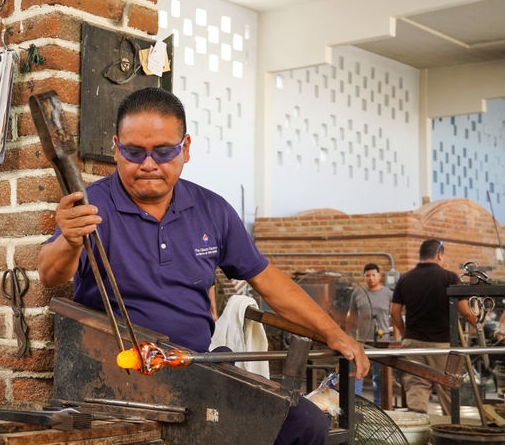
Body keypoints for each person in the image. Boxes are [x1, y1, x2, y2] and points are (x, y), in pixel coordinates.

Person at [37, 87, 369, 444]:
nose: (148, 164)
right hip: (118, 375)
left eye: (163, 151)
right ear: (116, 147)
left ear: (186, 148)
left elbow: (267, 279)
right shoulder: (93, 205)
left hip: (197, 370)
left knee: (304, 423)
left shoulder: (212, 209)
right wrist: (69, 241)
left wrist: (332, 332)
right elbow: (50, 273)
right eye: (134, 152)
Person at [390, 239, 476, 413]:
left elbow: (394, 312)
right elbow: (466, 312)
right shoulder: (449, 277)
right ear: (439, 255)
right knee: (448, 392)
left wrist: (407, 334)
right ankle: (451, 434)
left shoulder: (405, 278)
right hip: (444, 346)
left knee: (416, 391)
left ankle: (419, 436)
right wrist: (482, 325)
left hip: (413, 346)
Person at [347, 263, 397, 404]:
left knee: (379, 375)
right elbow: (351, 316)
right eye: (367, 275)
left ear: (379, 276)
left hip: (383, 340)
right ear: (364, 277)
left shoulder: (388, 293)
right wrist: (348, 335)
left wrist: (397, 340)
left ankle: (379, 404)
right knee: (357, 373)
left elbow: (395, 316)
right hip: (361, 340)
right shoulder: (358, 293)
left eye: (373, 275)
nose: (371, 278)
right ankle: (355, 404)